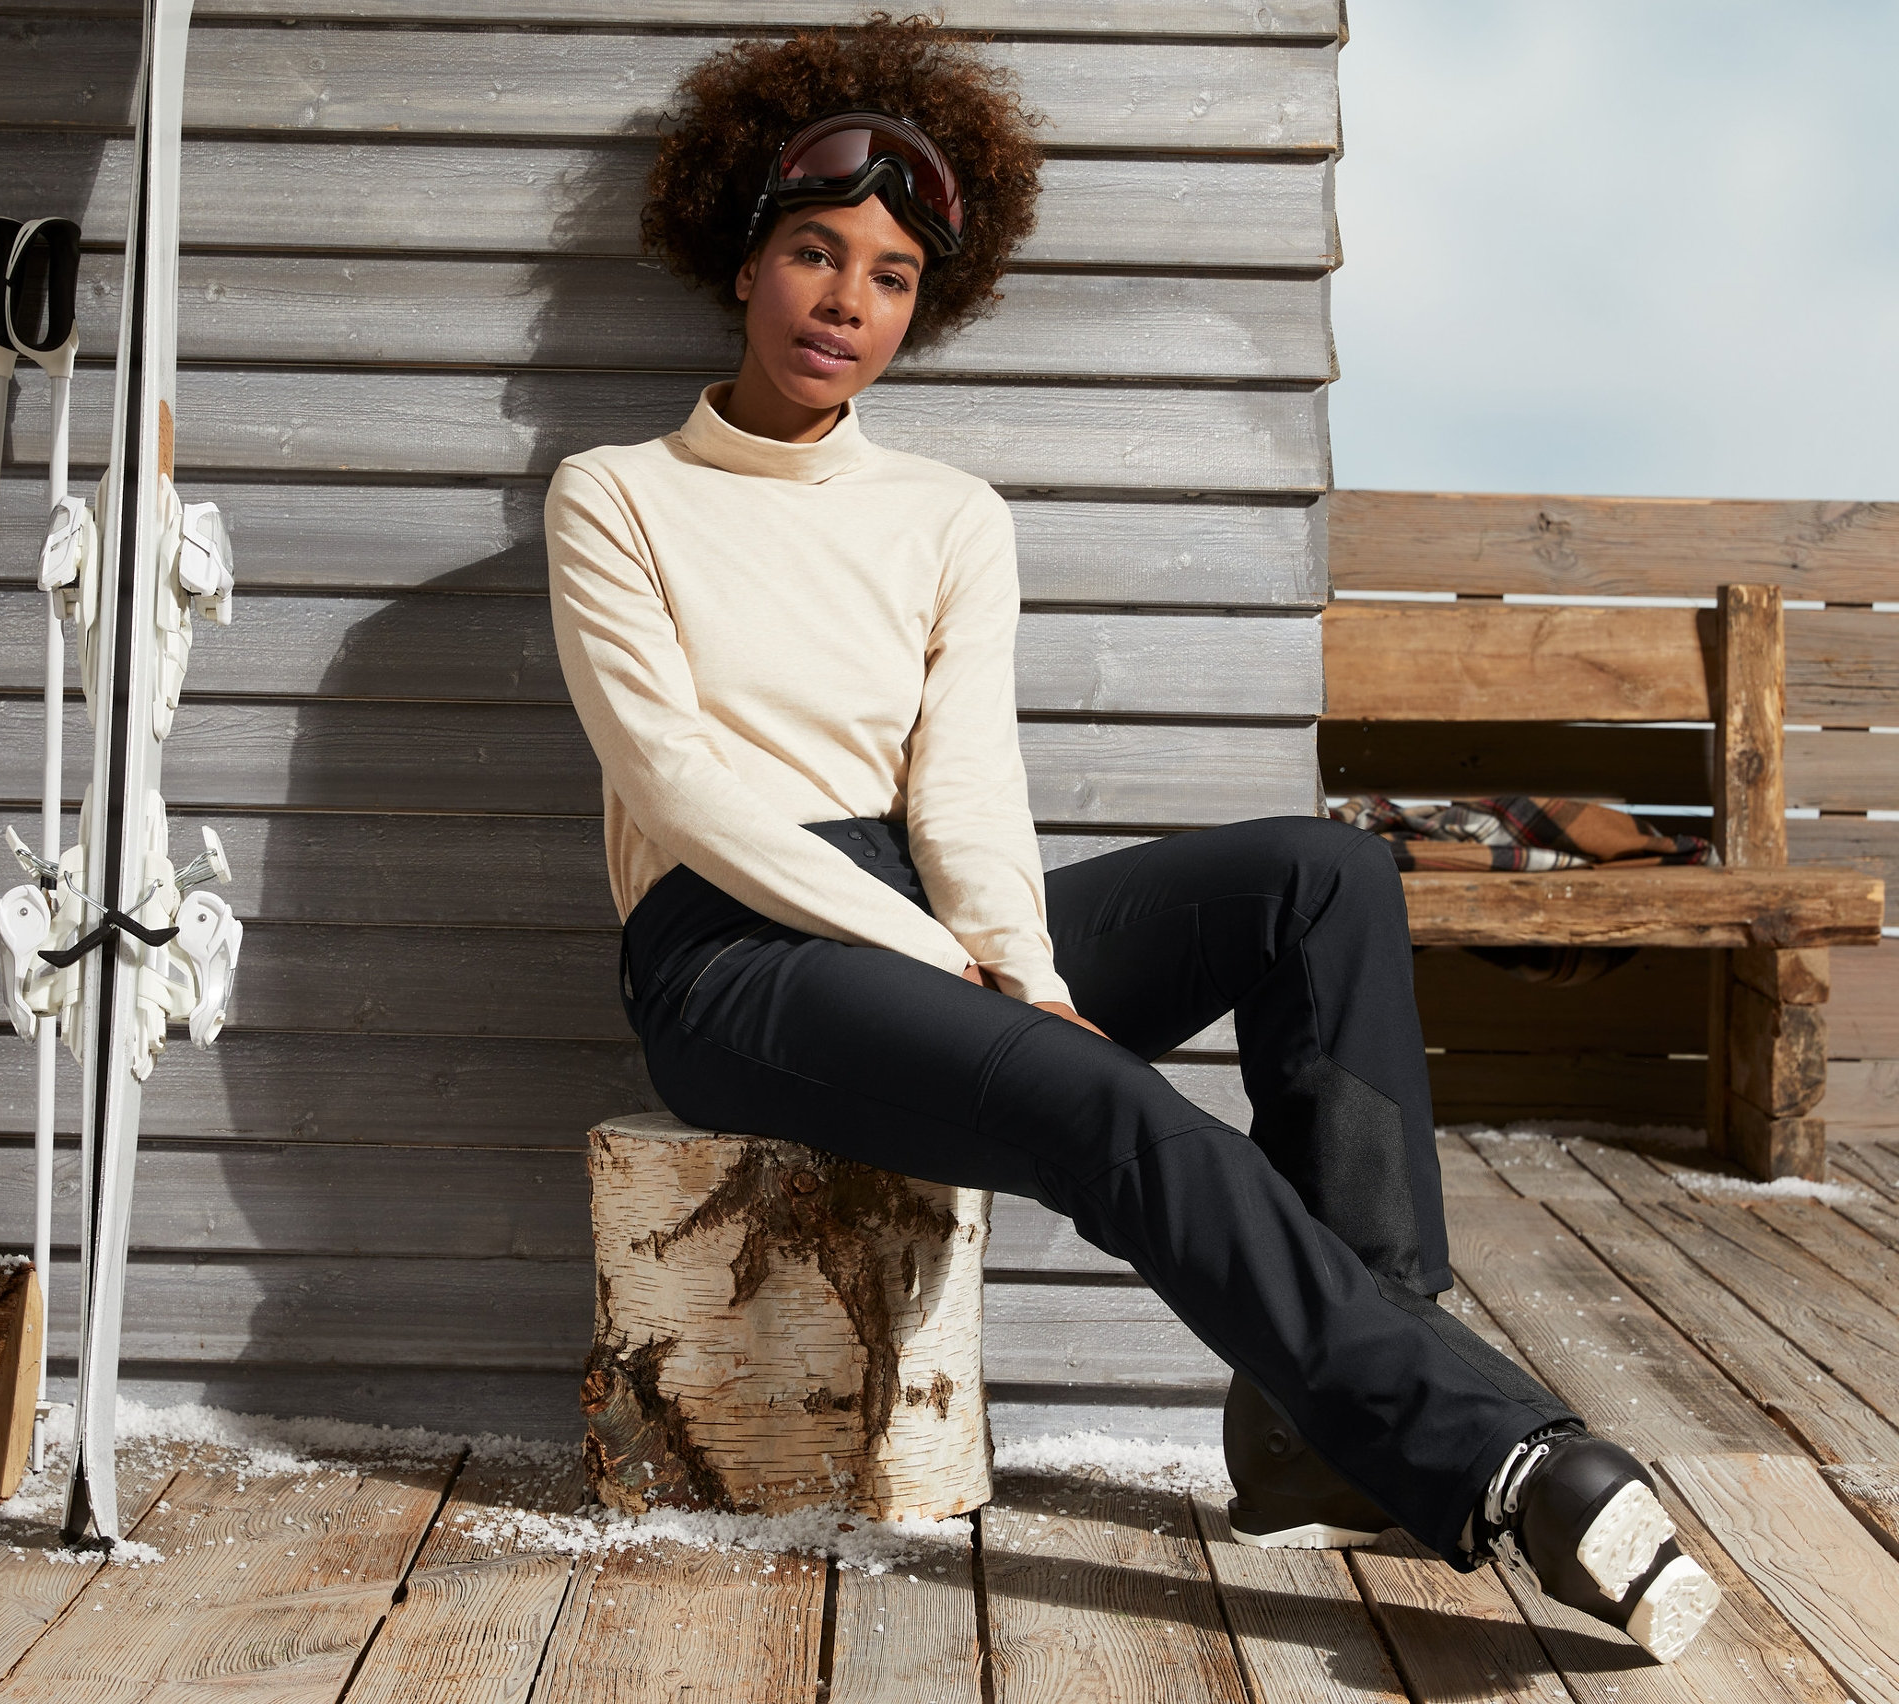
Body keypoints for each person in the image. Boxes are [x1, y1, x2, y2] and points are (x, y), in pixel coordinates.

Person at [545, 17, 1721, 1663]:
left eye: (890, 278)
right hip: (729, 955)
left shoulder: (949, 516)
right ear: (745, 264)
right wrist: (958, 971)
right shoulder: (617, 494)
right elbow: (680, 787)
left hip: (920, 911)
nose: (845, 301)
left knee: (1321, 878)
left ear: (920, 309)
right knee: (1101, 1097)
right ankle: (1498, 1456)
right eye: (814, 253)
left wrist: (1018, 967)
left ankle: (1324, 1434)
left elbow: (965, 787)